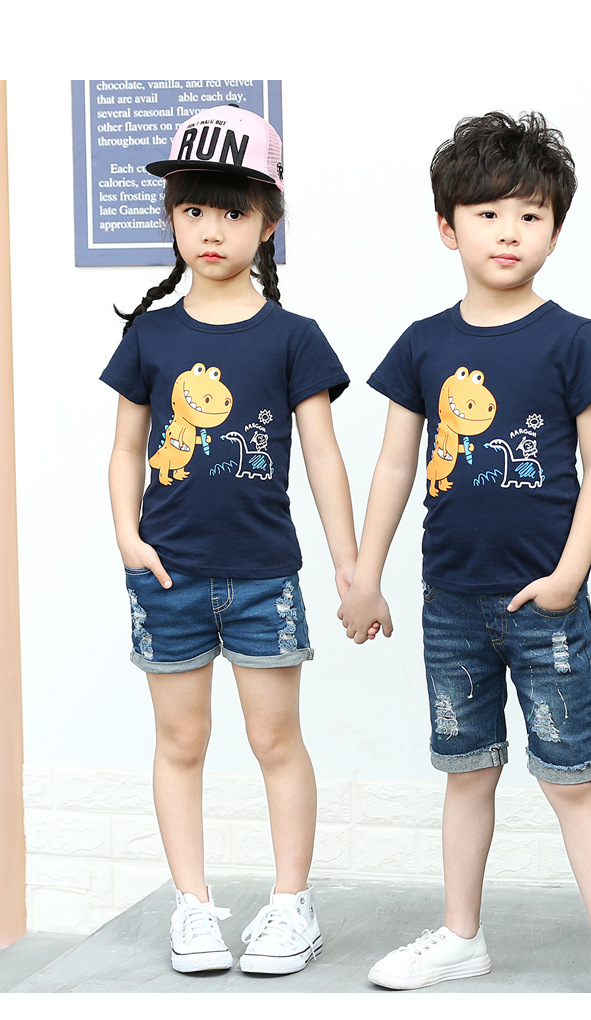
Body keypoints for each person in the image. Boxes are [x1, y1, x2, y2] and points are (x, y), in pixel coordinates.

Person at [338, 111, 591, 994]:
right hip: (450, 603)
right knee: (467, 772)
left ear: (555, 230)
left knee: (572, 777)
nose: (509, 231)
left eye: (530, 214)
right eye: (487, 213)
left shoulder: (572, 337)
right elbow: (395, 464)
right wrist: (365, 576)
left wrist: (568, 577)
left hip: (544, 604)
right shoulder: (423, 342)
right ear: (448, 229)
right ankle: (460, 936)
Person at [102, 105, 356, 976]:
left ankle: (291, 904)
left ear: (269, 222)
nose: (212, 230)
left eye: (234, 211)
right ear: (172, 219)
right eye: (194, 210)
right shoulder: (151, 335)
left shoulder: (293, 338)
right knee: (181, 744)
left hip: (262, 579)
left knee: (275, 741)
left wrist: (349, 563)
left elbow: (323, 457)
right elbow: (126, 449)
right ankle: (193, 905)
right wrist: (129, 539)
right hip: (166, 579)